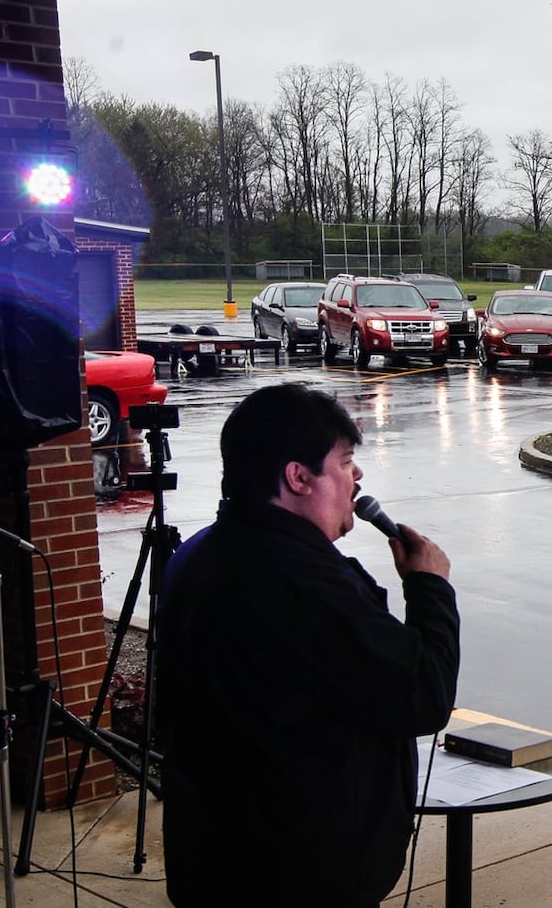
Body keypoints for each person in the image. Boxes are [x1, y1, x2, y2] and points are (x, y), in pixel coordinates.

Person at [157, 383, 459, 906]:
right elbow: (423, 694)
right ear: (298, 477)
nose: (356, 476)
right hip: (299, 870)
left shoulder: (201, 553)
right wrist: (431, 587)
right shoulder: (306, 584)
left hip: (218, 856)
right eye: (344, 462)